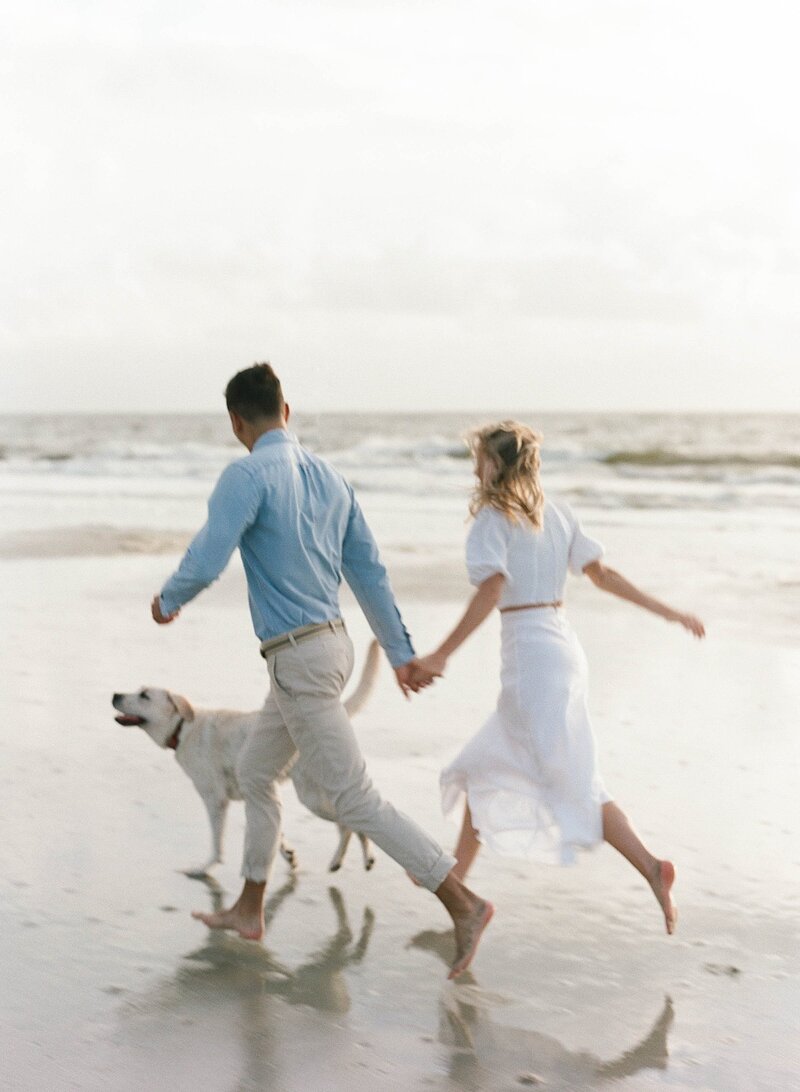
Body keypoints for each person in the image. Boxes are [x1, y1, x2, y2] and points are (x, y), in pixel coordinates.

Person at [150, 363, 493, 978]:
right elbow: (369, 572)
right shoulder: (333, 479)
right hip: (330, 646)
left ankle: (461, 902)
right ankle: (250, 908)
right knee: (257, 771)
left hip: (297, 659)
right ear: (288, 409)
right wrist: (399, 653)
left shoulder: (246, 474)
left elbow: (208, 555)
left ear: (236, 421)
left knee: (354, 798)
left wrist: (168, 600)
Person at [414, 421, 705, 935]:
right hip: (562, 647)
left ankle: (650, 867)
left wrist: (441, 653)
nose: (474, 467)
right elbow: (603, 575)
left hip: (531, 657)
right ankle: (457, 890)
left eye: (479, 458)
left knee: (569, 778)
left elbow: (492, 587)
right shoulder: (558, 514)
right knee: (487, 767)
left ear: (497, 464)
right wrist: (669, 612)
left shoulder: (492, 518)